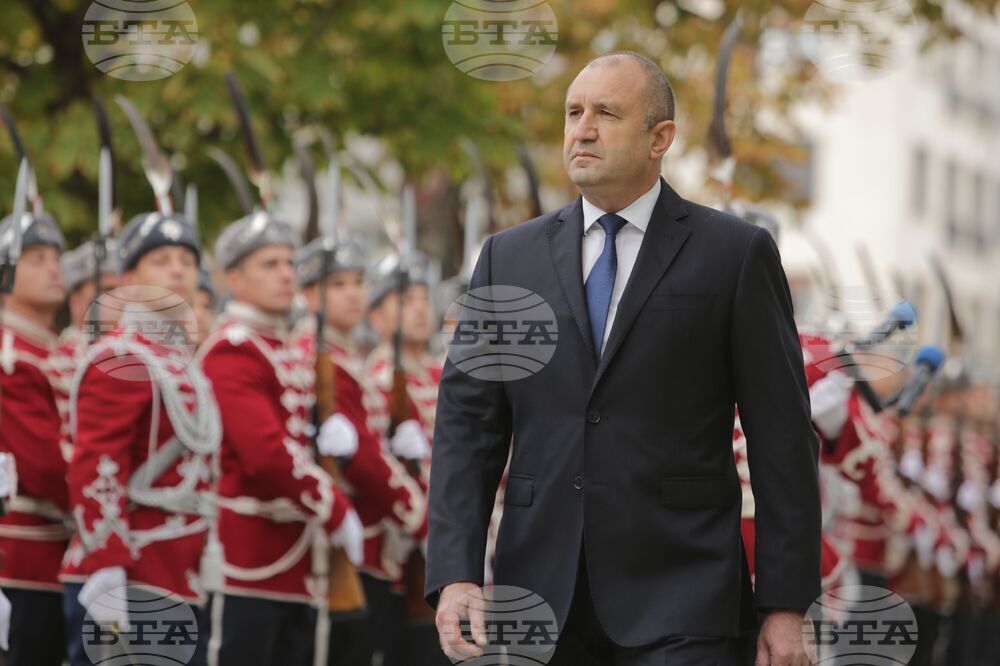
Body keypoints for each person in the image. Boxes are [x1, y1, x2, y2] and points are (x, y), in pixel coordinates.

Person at [426, 52, 821, 665]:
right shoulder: (509, 258)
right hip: (538, 598)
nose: (582, 129)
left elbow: (782, 438)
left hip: (684, 595)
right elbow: (466, 427)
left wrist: (786, 603)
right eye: (573, 112)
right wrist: (455, 571)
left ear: (660, 137)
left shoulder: (735, 254)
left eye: (607, 113)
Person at [198, 212, 362, 666]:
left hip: (297, 560)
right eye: (269, 264)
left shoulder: (282, 347)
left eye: (289, 262)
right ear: (234, 278)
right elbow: (266, 456)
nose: (287, 273)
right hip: (247, 561)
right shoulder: (233, 347)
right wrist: (334, 508)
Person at [60, 211, 220, 666]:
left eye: (187, 260)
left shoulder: (183, 361)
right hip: (128, 572)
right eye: (162, 260)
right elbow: (96, 464)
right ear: (129, 279)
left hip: (180, 571)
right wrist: (107, 561)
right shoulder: (118, 357)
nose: (178, 269)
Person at [291, 239, 428, 666]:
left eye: (357, 283)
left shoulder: (348, 358)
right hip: (346, 541)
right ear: (310, 295)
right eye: (337, 284)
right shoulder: (311, 355)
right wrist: (421, 517)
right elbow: (365, 463)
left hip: (373, 541)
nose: (353, 293)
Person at [0, 212, 70, 666]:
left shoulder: (51, 349)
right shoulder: (10, 354)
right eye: (36, 258)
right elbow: (46, 467)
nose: (53, 269)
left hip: (59, 555)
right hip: (21, 563)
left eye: (56, 258)